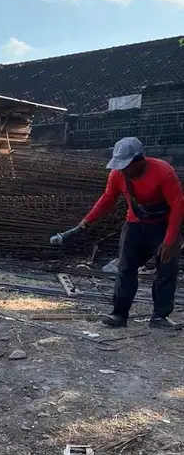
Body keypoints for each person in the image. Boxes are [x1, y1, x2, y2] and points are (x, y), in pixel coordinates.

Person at [78, 137, 184, 329]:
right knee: (126, 268)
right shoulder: (118, 175)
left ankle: (160, 316)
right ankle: (119, 314)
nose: (123, 169)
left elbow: (178, 205)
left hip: (162, 225)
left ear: (139, 160)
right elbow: (108, 198)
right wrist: (88, 219)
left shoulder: (163, 172)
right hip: (134, 224)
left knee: (167, 269)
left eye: (127, 165)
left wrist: (170, 240)